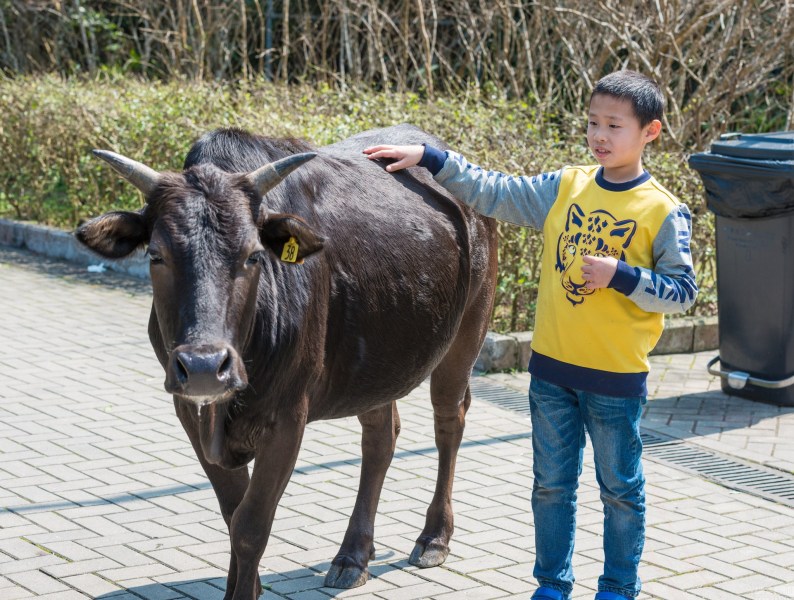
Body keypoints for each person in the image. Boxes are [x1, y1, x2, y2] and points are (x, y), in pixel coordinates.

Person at [363, 70, 697, 600]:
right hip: (550, 377)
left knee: (621, 494)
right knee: (551, 489)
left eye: (614, 125)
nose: (599, 136)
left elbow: (683, 291)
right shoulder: (567, 186)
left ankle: (617, 588)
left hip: (615, 382)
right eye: (593, 123)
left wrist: (622, 275)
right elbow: (493, 189)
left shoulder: (662, 209)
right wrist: (431, 159)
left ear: (650, 132)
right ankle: (551, 586)